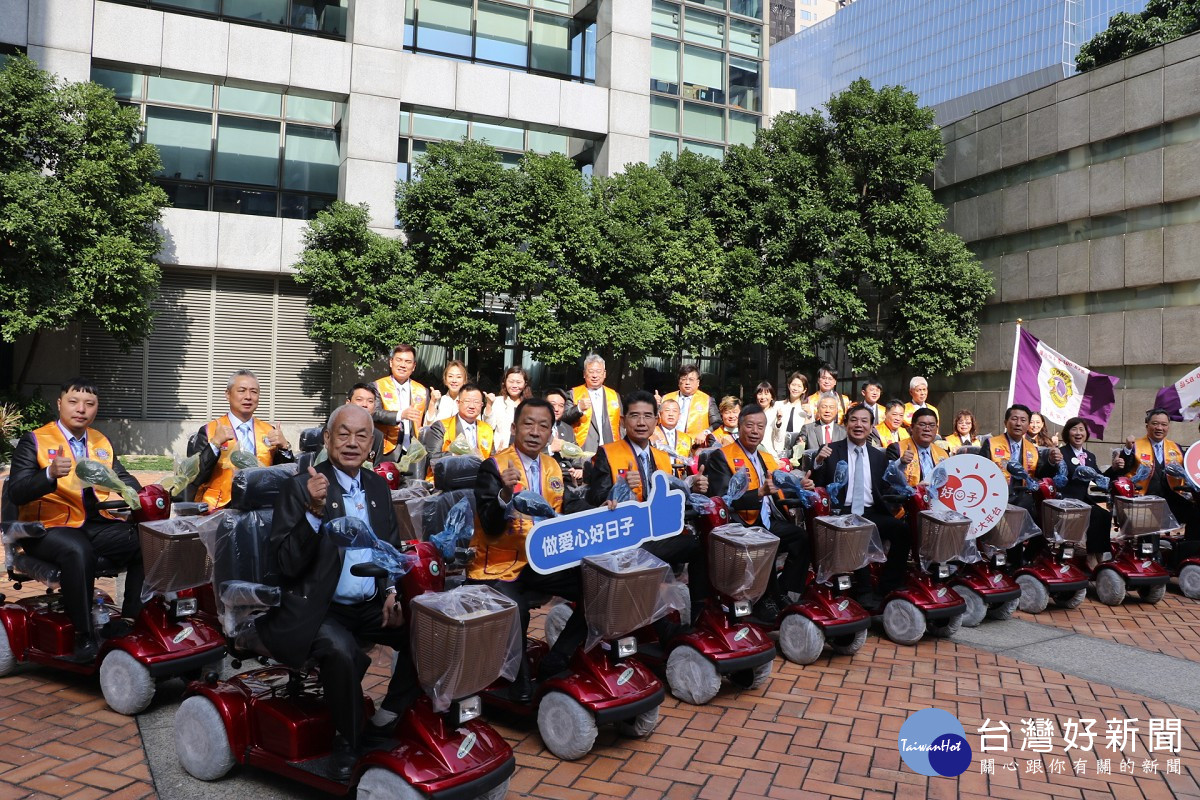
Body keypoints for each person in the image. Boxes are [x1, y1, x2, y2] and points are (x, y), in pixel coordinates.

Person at [259, 404, 418, 780]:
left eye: (361, 435)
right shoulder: (300, 487)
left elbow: (389, 547)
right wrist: (314, 513)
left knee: (426, 633)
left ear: (372, 444)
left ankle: (387, 717)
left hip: (369, 603)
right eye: (342, 434)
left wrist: (393, 590)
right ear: (327, 439)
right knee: (341, 651)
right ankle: (348, 741)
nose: (351, 442)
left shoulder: (378, 485)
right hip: (319, 608)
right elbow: (285, 563)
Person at [8, 378, 146, 662]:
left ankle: (131, 620)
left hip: (93, 523)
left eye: (89, 404)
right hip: (47, 528)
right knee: (77, 549)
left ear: (96, 409)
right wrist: (48, 475)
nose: (81, 409)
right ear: (60, 404)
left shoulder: (100, 442)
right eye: (73, 402)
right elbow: (17, 491)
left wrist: (140, 492)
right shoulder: (35, 440)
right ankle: (84, 635)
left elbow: (121, 477)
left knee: (147, 539)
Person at [470, 399, 586, 701]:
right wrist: (505, 495)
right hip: (497, 565)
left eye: (543, 426)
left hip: (540, 562)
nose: (535, 431)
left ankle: (557, 659)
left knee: (595, 585)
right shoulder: (493, 466)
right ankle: (519, 685)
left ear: (551, 434)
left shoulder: (552, 467)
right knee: (516, 608)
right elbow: (491, 524)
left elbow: (569, 507)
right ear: (514, 427)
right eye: (528, 423)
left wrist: (605, 506)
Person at [585, 392, 709, 620]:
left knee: (701, 546)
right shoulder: (608, 453)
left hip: (655, 534)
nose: (641, 422)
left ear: (656, 420)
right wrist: (618, 489)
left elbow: (670, 495)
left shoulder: (662, 457)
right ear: (623, 421)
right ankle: (664, 629)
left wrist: (693, 487)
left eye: (647, 416)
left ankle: (701, 612)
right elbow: (594, 497)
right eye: (634, 416)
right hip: (623, 539)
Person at [704, 403, 810, 622]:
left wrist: (801, 485)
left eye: (760, 427)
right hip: (740, 524)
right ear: (739, 427)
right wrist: (759, 493)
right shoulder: (721, 457)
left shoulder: (762, 456)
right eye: (749, 425)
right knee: (765, 541)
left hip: (765, 519)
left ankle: (781, 591)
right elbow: (724, 500)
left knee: (801, 538)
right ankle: (763, 600)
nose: (755, 431)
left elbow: (778, 483)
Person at [805, 404, 911, 606]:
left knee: (902, 530)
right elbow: (816, 483)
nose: (859, 425)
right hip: (841, 512)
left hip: (871, 511)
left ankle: (887, 586)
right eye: (854, 420)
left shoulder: (878, 456)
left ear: (872, 427)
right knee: (857, 530)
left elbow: (886, 486)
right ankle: (863, 591)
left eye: (864, 421)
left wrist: (902, 470)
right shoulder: (830, 450)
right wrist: (818, 462)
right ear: (845, 424)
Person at [188, 370, 294, 508]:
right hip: (219, 508)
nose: (248, 397)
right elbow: (193, 477)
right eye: (242, 391)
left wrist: (284, 447)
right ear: (228, 394)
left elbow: (287, 476)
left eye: (254, 392)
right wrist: (214, 444)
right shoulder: (210, 430)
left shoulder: (270, 431)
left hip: (261, 507)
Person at [980, 404, 1063, 565]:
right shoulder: (991, 443)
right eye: (1014, 419)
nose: (1018, 423)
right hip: (998, 499)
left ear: (1027, 425)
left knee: (1049, 524)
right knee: (1015, 522)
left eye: (1023, 420)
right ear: (1006, 422)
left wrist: (1051, 462)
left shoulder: (1032, 448)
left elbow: (1040, 475)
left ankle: (1025, 559)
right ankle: (1015, 564)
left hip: (1025, 499)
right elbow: (981, 471)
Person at [1114, 408, 1199, 547]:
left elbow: (1189, 469)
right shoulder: (1135, 446)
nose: (1159, 428)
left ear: (1168, 427)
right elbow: (1124, 468)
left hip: (1170, 498)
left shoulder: (1175, 448)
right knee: (1149, 518)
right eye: (1155, 423)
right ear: (1147, 425)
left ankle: (1187, 550)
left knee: (1196, 513)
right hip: (1142, 498)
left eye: (1164, 424)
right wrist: (1127, 450)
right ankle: (1150, 557)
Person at [1059, 417, 1120, 568]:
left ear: (1086, 433)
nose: (1078, 433)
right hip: (1066, 499)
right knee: (1094, 514)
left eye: (1082, 430)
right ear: (1067, 433)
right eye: (1074, 429)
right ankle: (1091, 556)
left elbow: (1101, 478)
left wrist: (1114, 468)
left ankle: (1098, 553)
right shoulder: (1061, 453)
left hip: (1083, 499)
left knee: (1104, 514)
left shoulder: (1090, 456)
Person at [422, 384, 494, 478]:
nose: (472, 406)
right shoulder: (442, 426)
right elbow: (432, 457)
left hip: (479, 480)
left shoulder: (486, 429)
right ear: (458, 402)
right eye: (467, 401)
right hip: (448, 480)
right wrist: (460, 455)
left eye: (476, 402)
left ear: (481, 405)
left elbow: (493, 458)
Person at [372, 344, 430, 460]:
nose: (403, 365)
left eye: (408, 362)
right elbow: (374, 413)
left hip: (415, 452)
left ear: (413, 367)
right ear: (391, 362)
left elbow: (427, 420)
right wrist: (400, 415)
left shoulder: (422, 391)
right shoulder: (377, 386)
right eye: (399, 360)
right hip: (386, 449)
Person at [562, 354, 621, 450]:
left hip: (610, 449)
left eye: (598, 371)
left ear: (604, 374)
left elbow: (621, 425)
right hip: (583, 449)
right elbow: (563, 419)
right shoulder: (573, 394)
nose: (595, 375)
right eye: (591, 372)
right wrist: (578, 408)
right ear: (584, 374)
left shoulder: (614, 395)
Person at [889, 408, 948, 486]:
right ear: (912, 427)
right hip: (908, 497)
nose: (927, 429)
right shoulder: (896, 449)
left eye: (932, 425)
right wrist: (901, 462)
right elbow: (888, 482)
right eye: (922, 424)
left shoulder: (942, 453)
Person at [662, 363, 720, 440]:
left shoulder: (707, 400)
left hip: (695, 446)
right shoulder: (666, 398)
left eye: (691, 379)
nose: (687, 383)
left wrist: (705, 432)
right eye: (684, 379)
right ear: (679, 382)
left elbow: (717, 423)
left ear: (698, 382)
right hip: (668, 444)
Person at [484, 366, 530, 453]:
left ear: (525, 384)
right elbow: (488, 426)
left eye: (518, 382)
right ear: (505, 382)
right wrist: (489, 404)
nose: (514, 385)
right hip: (501, 450)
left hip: (524, 452)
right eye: (511, 382)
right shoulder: (497, 401)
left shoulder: (530, 405)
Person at [544, 388, 584, 483]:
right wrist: (550, 449)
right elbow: (528, 454)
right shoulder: (535, 427)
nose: (556, 409)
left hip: (566, 477)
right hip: (543, 474)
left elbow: (575, 453)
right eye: (552, 405)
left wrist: (578, 469)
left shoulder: (567, 429)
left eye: (561, 406)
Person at [773, 372, 812, 460]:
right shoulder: (778, 405)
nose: (795, 388)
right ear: (788, 386)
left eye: (799, 386)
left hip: (798, 450)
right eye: (793, 385)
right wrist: (778, 421)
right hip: (779, 448)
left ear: (804, 390)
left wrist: (809, 415)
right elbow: (773, 429)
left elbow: (808, 431)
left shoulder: (808, 408)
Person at [345, 383, 386, 464]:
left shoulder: (377, 435)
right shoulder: (334, 428)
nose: (365, 405)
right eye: (359, 400)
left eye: (370, 401)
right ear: (348, 403)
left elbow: (376, 469)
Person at [799, 394, 846, 458]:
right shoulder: (807, 429)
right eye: (824, 407)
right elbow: (797, 452)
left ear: (836, 410)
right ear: (818, 409)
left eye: (831, 407)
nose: (827, 411)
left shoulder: (844, 431)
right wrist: (799, 447)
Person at [424, 360, 469, 425]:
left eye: (458, 377)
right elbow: (428, 426)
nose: (454, 380)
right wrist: (432, 402)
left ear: (464, 380)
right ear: (445, 379)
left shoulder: (470, 402)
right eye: (450, 376)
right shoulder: (440, 401)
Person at [651, 398, 694, 462]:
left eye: (674, 411)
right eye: (667, 410)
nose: (671, 414)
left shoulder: (686, 438)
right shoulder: (651, 433)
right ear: (660, 414)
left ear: (679, 416)